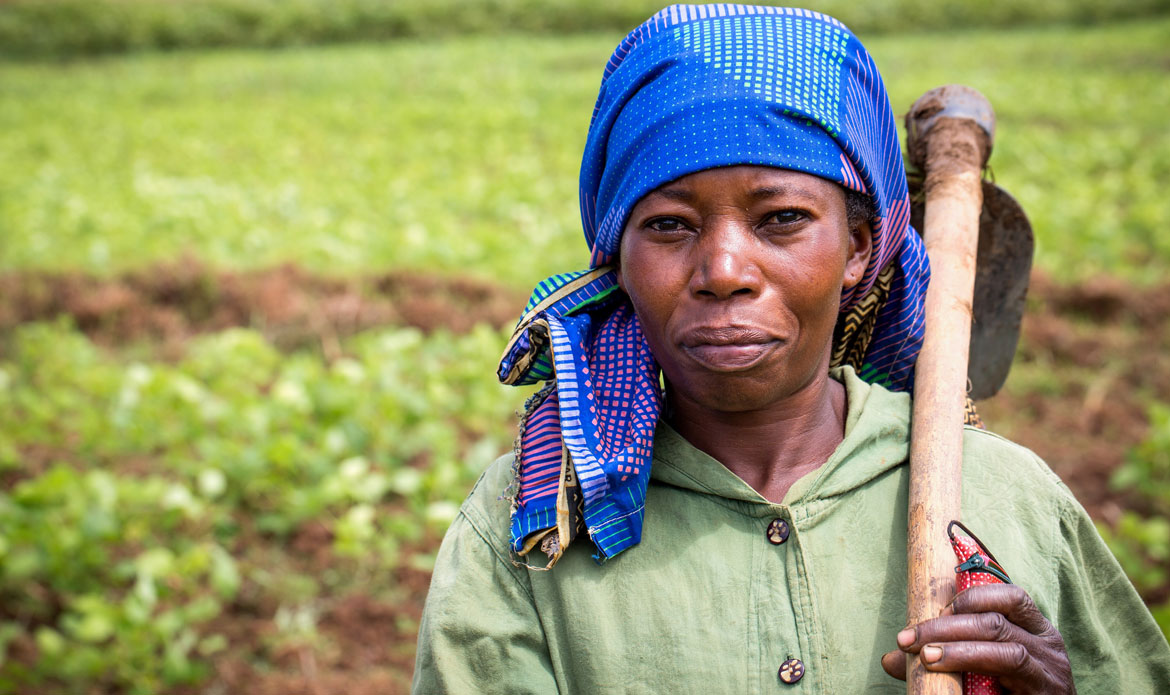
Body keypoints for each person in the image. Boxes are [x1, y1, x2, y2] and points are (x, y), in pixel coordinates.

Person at [412, 5, 1170, 693]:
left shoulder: (1010, 500)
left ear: (857, 248)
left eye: (780, 218)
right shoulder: (534, 530)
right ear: (616, 259)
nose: (724, 272)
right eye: (671, 225)